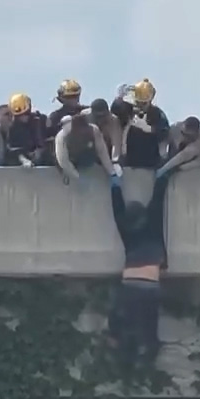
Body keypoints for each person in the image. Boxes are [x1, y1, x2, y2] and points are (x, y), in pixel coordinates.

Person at [108, 170, 169, 363]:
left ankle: (131, 348)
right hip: (134, 285)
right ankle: (133, 347)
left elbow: (116, 206)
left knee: (142, 323)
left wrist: (114, 180)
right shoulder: (152, 224)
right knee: (141, 323)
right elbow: (158, 196)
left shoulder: (127, 229)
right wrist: (165, 173)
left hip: (141, 284)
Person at [114, 79, 170, 169]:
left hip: (149, 157)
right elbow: (114, 112)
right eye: (138, 102)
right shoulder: (128, 108)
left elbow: (165, 132)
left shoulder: (156, 113)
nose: (140, 105)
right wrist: (119, 98)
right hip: (128, 155)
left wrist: (149, 129)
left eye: (143, 103)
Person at [55, 113, 118, 181]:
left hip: (89, 158)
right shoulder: (61, 137)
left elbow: (102, 152)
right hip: (71, 161)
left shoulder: (94, 130)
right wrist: (77, 176)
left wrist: (112, 173)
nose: (81, 131)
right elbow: (63, 161)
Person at [6, 93, 48, 167]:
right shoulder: (13, 128)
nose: (23, 117)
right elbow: (11, 149)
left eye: (26, 113)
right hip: (23, 166)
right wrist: (23, 159)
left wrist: (40, 150)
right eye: (19, 116)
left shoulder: (41, 121)